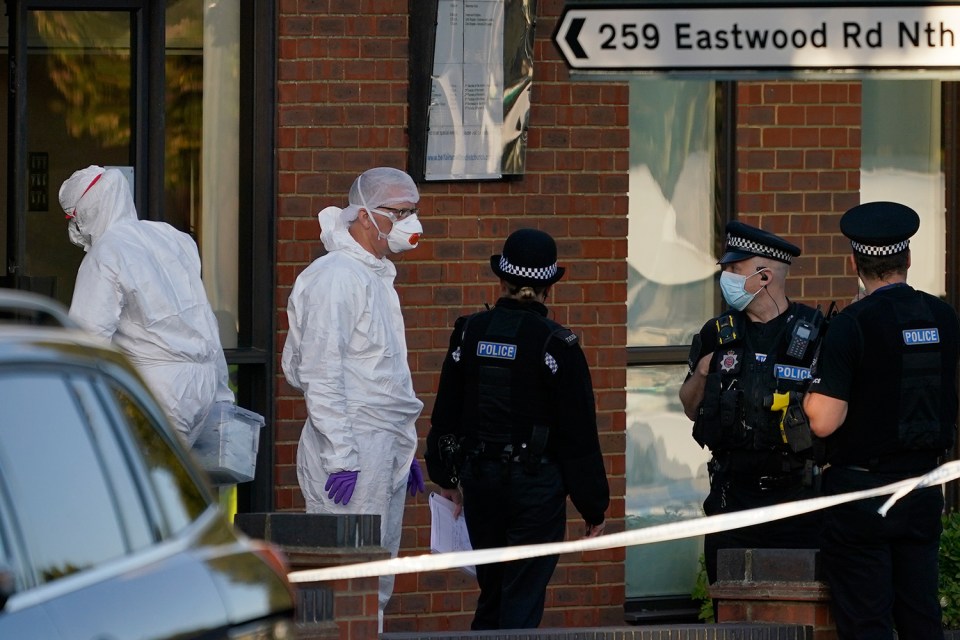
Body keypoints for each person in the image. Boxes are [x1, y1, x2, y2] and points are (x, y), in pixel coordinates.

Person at [424, 228, 609, 630]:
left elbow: (446, 412)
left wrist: (446, 477)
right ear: (548, 287)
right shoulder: (557, 346)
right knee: (521, 599)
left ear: (501, 280)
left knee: (493, 592)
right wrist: (593, 505)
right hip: (534, 488)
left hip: (479, 484)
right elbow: (578, 437)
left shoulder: (470, 333)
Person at [803, 201, 959, 639]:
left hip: (861, 494)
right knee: (920, 615)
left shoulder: (852, 325)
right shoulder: (944, 317)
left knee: (867, 620)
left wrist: (807, 398)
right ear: (907, 259)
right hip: (924, 488)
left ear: (854, 262)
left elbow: (824, 422)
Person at [281, 167, 426, 626]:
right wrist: (343, 455)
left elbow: (383, 377)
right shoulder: (336, 278)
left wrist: (403, 448)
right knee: (344, 581)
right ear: (365, 215)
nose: (410, 224)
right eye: (400, 213)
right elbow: (320, 374)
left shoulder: (376, 276)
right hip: (350, 449)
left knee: (373, 580)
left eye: (413, 212)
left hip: (378, 444)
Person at [679, 221, 825, 583]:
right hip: (733, 499)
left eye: (734, 269)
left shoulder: (815, 331)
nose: (725, 276)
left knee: (795, 616)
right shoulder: (717, 332)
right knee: (730, 609)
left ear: (763, 277)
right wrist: (701, 374)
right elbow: (689, 407)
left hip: (796, 501)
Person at [59, 165, 234, 445]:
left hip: (158, 391)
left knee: (144, 481)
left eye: (73, 216)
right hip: (202, 386)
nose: (74, 227)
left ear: (88, 209)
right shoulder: (171, 238)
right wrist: (222, 393)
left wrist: (74, 409)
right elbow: (203, 319)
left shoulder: (106, 252)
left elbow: (87, 340)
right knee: (172, 482)